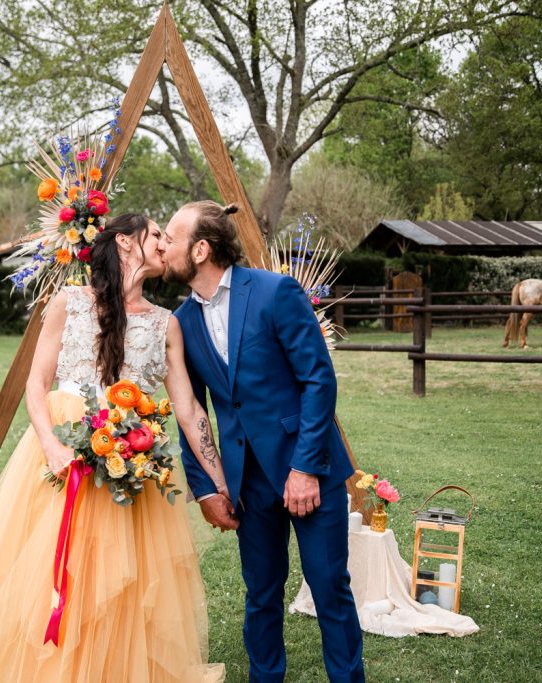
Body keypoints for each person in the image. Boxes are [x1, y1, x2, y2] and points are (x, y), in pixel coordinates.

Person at [0, 213, 226, 682]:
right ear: (127, 244)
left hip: (133, 459)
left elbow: (190, 410)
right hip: (63, 454)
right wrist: (51, 443)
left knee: (126, 584)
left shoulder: (166, 324)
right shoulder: (67, 303)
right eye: (156, 235)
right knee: (55, 573)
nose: (164, 243)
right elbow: (36, 382)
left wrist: (221, 482)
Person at [159, 201, 366, 683]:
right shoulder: (182, 321)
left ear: (202, 249)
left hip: (307, 470)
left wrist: (305, 469)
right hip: (246, 485)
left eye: (172, 237)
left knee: (330, 588)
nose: (164, 246)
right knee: (261, 595)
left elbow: (319, 380)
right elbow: (192, 411)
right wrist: (207, 488)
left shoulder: (276, 292)